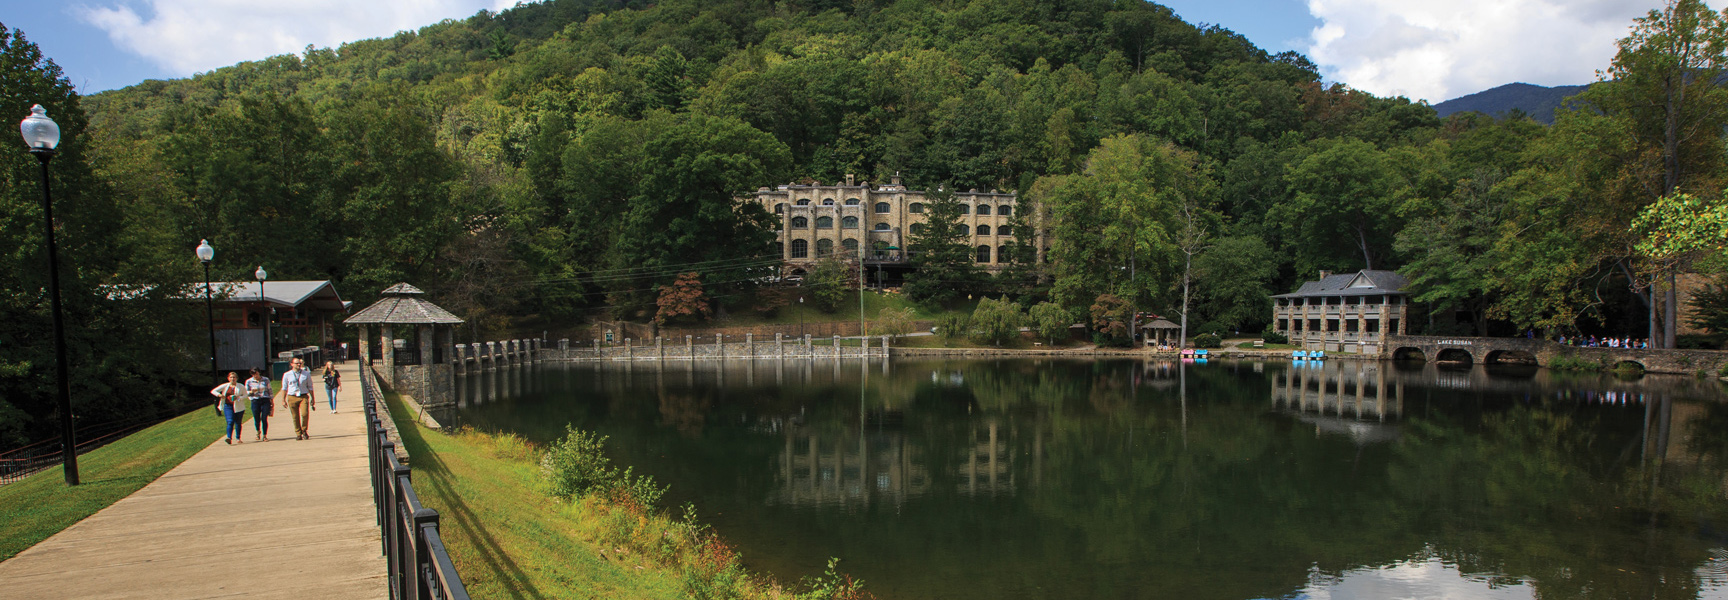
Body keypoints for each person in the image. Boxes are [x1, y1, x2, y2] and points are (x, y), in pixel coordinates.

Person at [277, 358, 317, 440]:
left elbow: (310, 386)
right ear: (292, 364)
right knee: (295, 416)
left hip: (303, 396)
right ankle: (298, 433)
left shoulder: (306, 374)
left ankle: (304, 430)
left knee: (304, 414)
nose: (298, 365)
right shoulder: (287, 375)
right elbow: (284, 388)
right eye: (296, 363)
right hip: (292, 396)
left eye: (299, 363)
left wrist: (313, 398)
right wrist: (283, 400)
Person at [211, 372, 245, 445]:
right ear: (228, 378)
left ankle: (238, 438)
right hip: (228, 406)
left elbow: (245, 395)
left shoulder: (241, 386)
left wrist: (238, 397)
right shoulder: (225, 386)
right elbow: (213, 391)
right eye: (231, 377)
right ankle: (229, 438)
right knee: (230, 421)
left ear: (237, 378)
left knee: (238, 422)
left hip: (238, 406)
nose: (232, 379)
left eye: (234, 377)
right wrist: (219, 395)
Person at [245, 368, 273, 441]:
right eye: (253, 374)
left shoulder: (265, 380)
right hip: (255, 400)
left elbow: (269, 390)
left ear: (259, 373)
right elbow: (246, 393)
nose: (255, 375)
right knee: (257, 418)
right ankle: (258, 431)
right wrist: (251, 391)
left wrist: (271, 400)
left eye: (256, 374)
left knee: (264, 418)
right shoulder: (249, 381)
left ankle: (265, 435)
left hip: (265, 399)